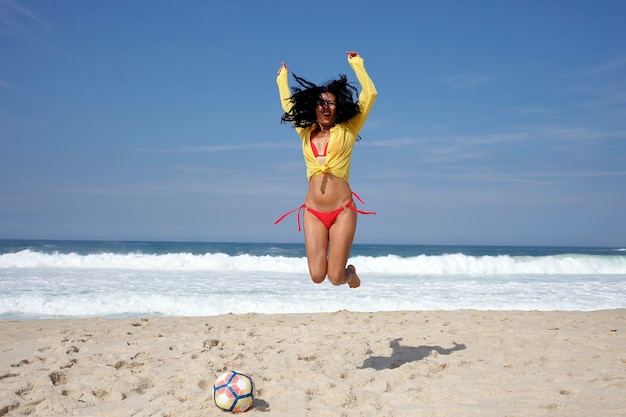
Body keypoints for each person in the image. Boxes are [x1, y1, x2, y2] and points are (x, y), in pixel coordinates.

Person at [275, 51, 377, 288]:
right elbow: (287, 105)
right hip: (312, 211)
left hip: (342, 210)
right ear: (314, 108)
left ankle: (351, 273)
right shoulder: (305, 131)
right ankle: (340, 271)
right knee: (317, 276)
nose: (326, 107)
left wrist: (357, 64)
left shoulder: (348, 128)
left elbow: (370, 94)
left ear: (337, 106)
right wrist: (282, 79)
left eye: (331, 102)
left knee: (336, 277)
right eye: (321, 103)